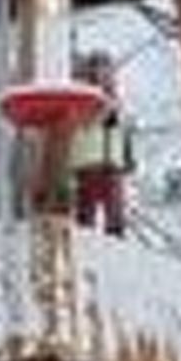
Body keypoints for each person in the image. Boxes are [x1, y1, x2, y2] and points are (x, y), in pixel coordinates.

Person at [68, 51, 133, 235]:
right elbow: (85, 121)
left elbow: (122, 131)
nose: (105, 76)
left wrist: (127, 157)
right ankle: (87, 241)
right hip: (89, 161)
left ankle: (116, 242)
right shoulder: (84, 97)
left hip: (112, 161)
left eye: (108, 71)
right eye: (100, 70)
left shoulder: (116, 102)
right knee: (86, 209)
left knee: (115, 209)